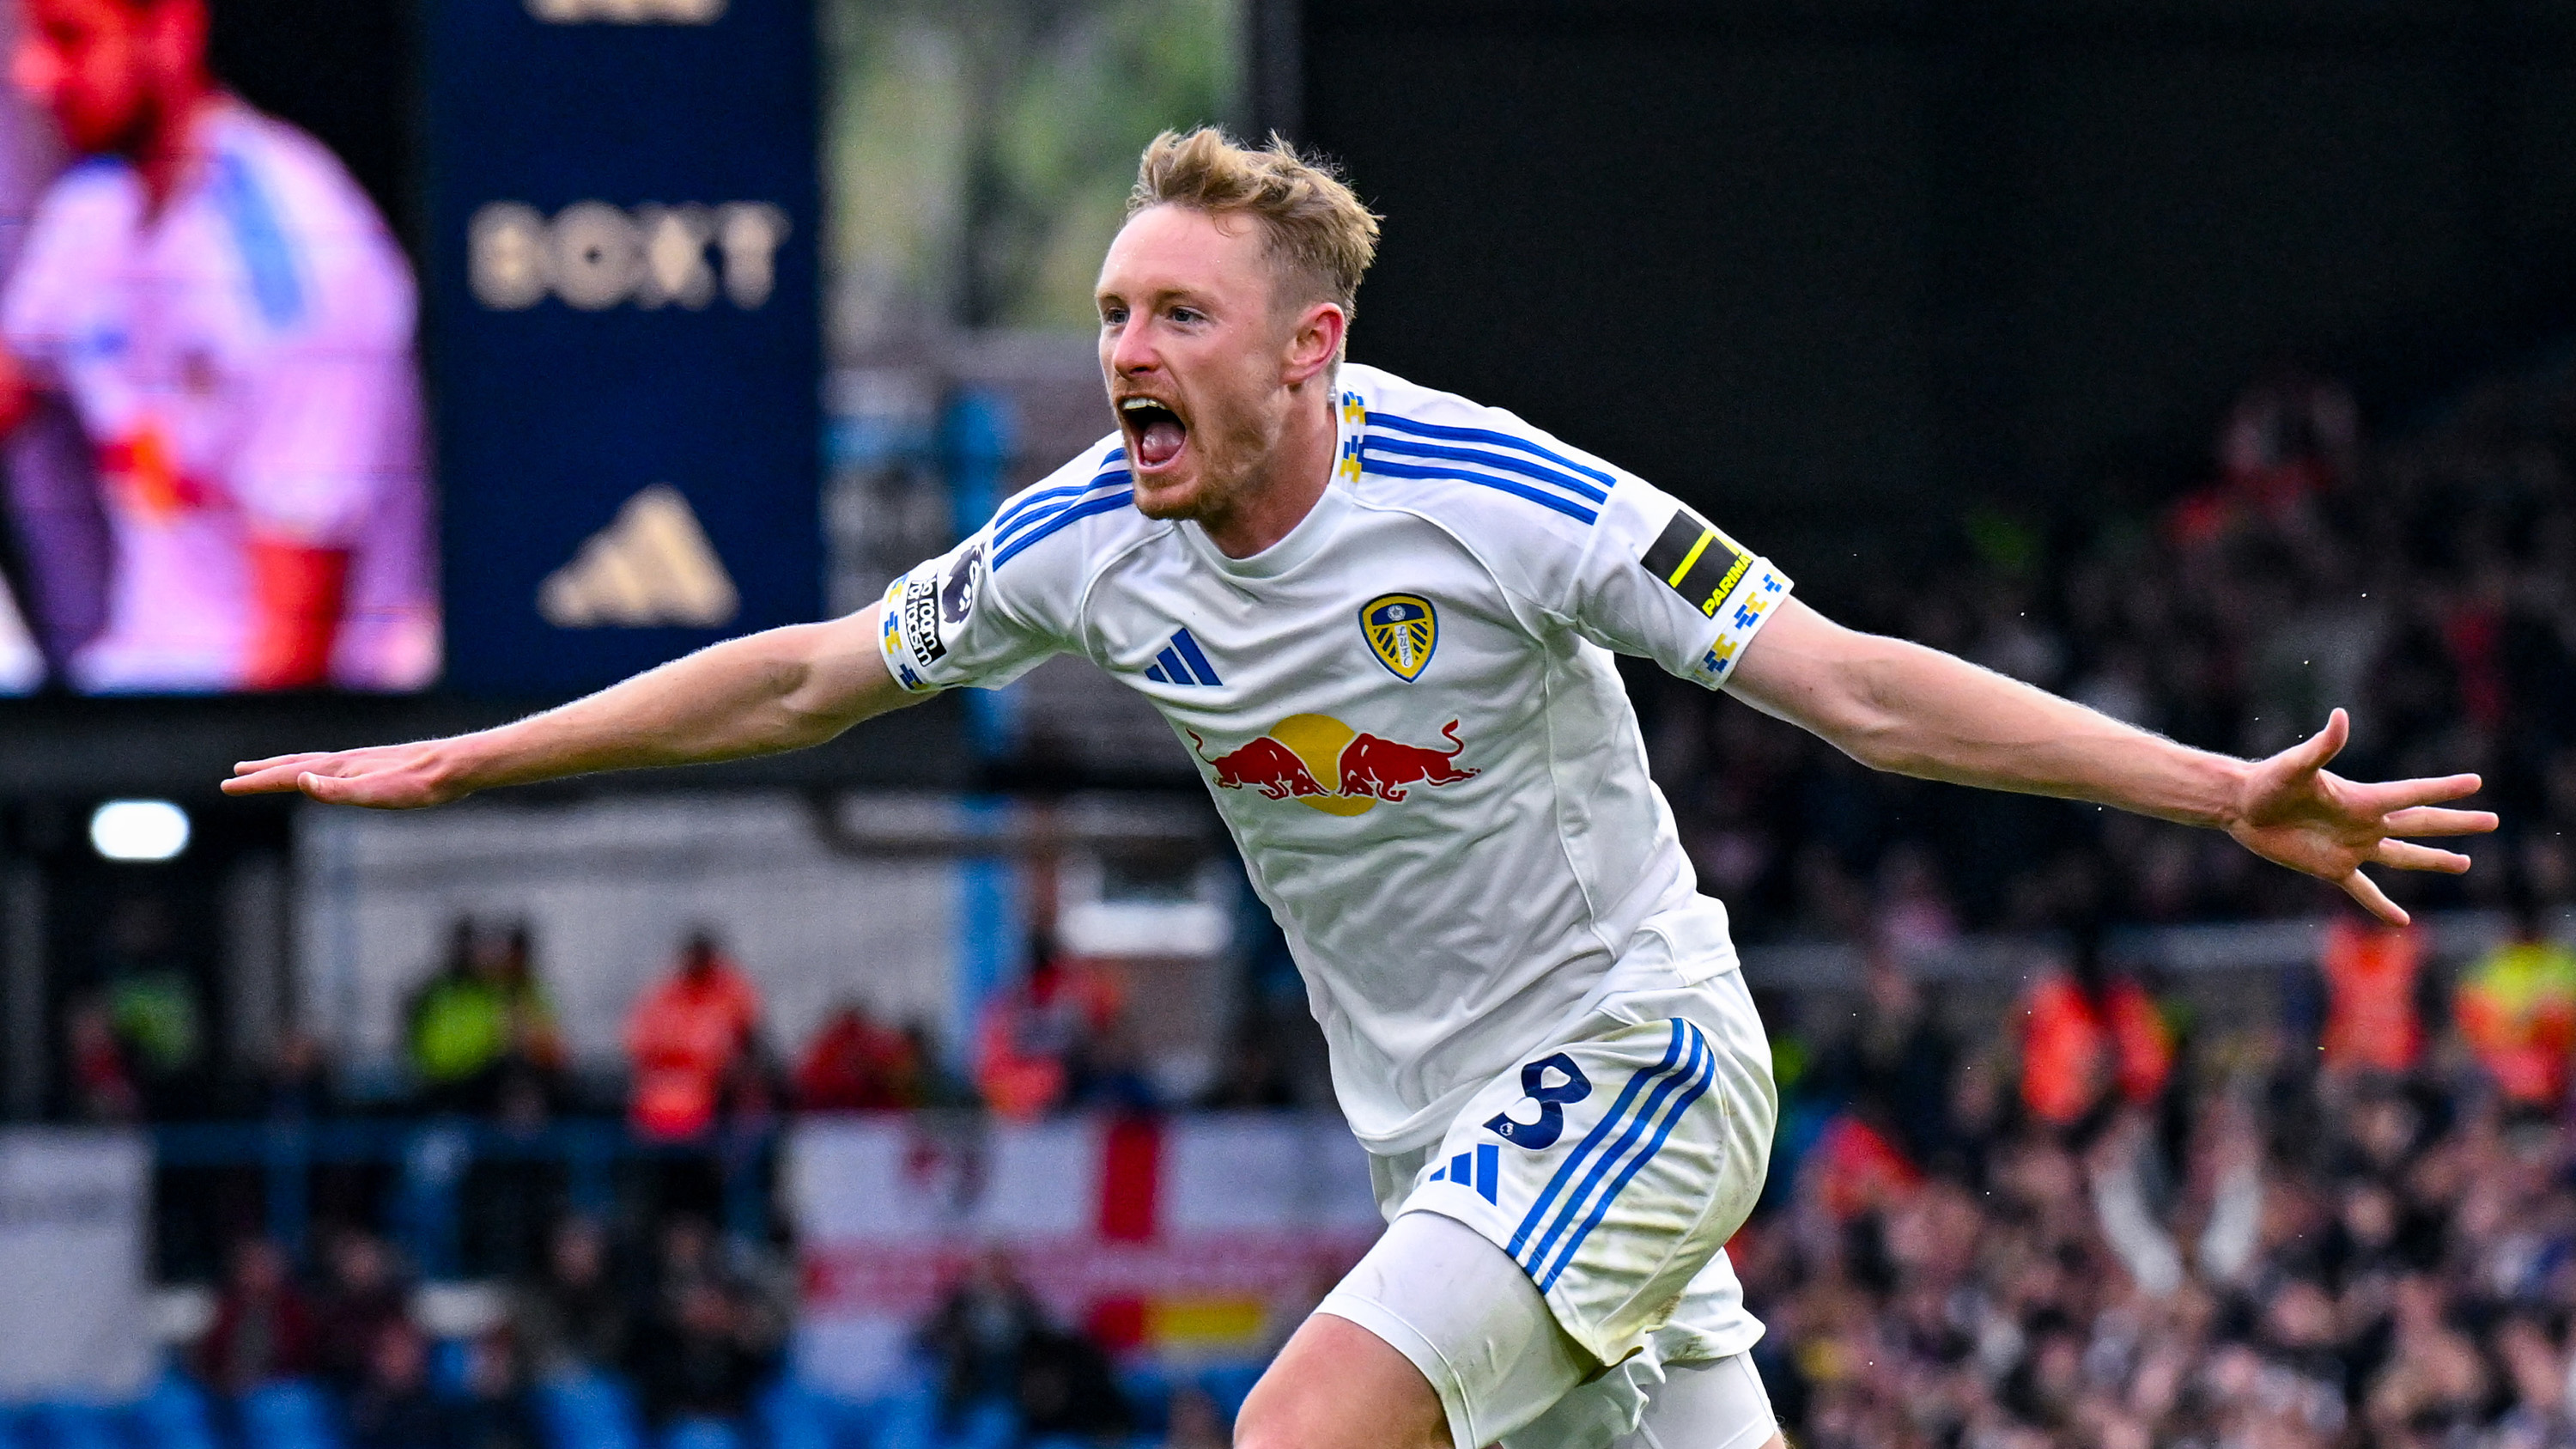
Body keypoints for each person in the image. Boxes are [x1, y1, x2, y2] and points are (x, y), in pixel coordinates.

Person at [226, 128, 2496, 1449]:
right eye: (1113, 314)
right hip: (1439, 1134)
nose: (1126, 354)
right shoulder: (1086, 541)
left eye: (1176, 318)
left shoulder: (1500, 498)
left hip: (1634, 1062)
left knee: (1294, 1428)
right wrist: (469, 749)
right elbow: (810, 675)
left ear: (1307, 348)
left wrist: (2218, 789)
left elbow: (1859, 688)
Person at [0, 0, 435, 692]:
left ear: (173, 30)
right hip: (126, 691)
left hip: (309, 739)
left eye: (69, 38)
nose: (33, 75)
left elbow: (293, 650)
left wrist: (185, 787)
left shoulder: (301, 255)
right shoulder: (88, 215)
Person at [623, 928, 761, 1140]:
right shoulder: (664, 994)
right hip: (665, 1083)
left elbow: (748, 1039)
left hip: (718, 1086)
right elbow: (639, 1044)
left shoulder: (732, 991)